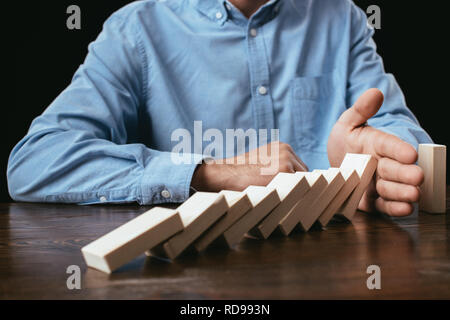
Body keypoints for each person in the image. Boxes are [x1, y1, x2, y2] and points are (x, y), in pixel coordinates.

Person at [8, 0, 432, 217]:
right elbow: (34, 161)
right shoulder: (136, 28)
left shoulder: (343, 17)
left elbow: (402, 132)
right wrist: (211, 173)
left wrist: (375, 158)